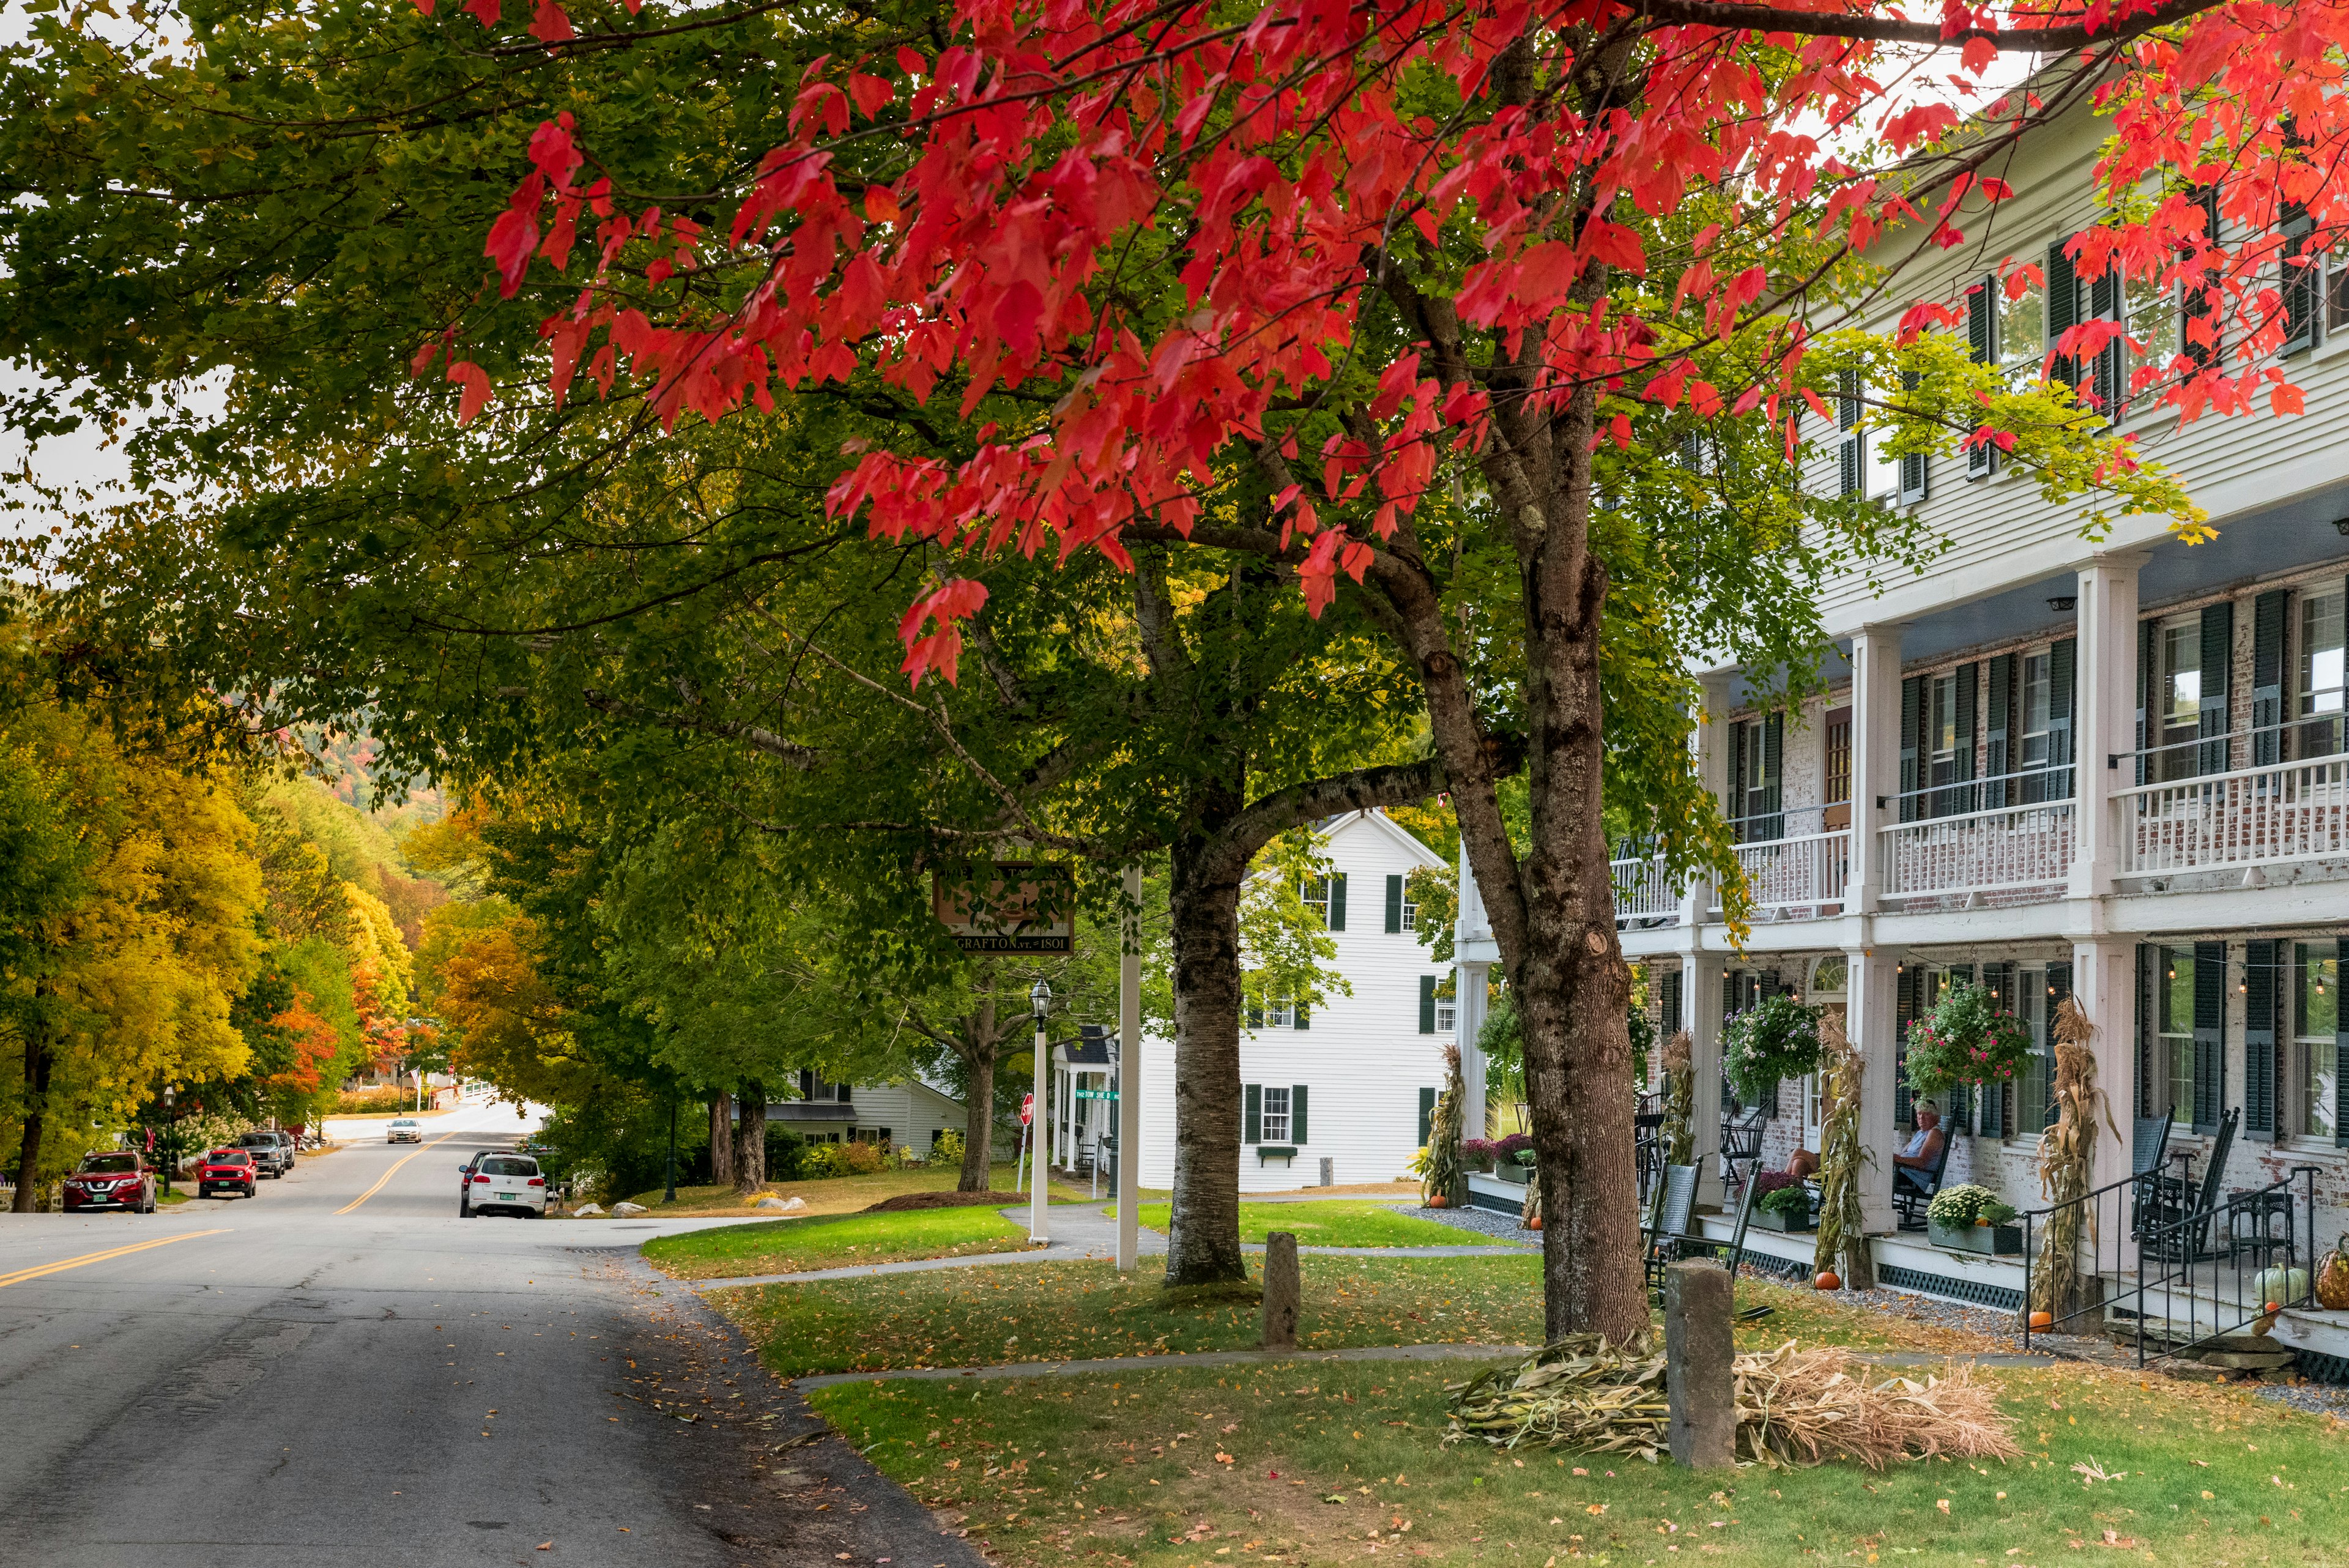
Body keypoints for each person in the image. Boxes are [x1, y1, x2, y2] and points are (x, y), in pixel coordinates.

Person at [1894, 1101, 1945, 1174]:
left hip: (1913, 1176)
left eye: (1927, 1114)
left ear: (1935, 1117)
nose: (1921, 1118)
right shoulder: (1920, 1133)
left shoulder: (1934, 1133)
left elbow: (1922, 1162)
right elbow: (1903, 1153)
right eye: (1919, 1114)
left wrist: (1898, 1159)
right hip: (1903, 1170)